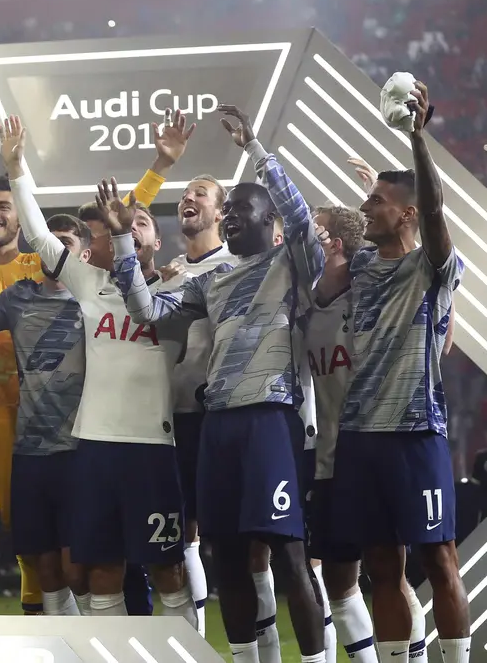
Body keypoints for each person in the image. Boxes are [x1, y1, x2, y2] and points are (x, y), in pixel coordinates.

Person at [108, 104, 327, 663]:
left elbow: (301, 219)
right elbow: (147, 310)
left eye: (240, 209)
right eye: (225, 210)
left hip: (270, 421)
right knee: (227, 555)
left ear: (268, 218)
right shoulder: (215, 280)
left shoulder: (292, 260)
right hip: (218, 426)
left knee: (288, 555)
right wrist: (124, 243)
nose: (229, 216)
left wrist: (256, 149)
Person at [0, 115, 198, 626]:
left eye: (137, 225)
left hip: (153, 449)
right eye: (108, 230)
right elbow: (42, 239)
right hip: (93, 447)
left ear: (152, 240)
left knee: (168, 569)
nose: (117, 232)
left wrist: (160, 166)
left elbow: (130, 239)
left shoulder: (180, 293)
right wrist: (16, 166)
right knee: (102, 571)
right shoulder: (90, 284)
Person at [333, 80, 471, 663]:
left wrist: (416, 139)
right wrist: (375, 189)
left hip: (418, 434)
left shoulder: (434, 266)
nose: (364, 210)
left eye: (374, 204)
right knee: (383, 568)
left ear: (407, 214)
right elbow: (392, 211)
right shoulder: (359, 266)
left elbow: (433, 209)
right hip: (361, 438)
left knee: (438, 561)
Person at [0, 213, 90, 616]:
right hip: (29, 452)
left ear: (84, 254)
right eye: (49, 240)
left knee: (79, 569)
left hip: (80, 451)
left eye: (65, 242)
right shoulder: (20, 296)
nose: (55, 248)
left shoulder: (97, 298)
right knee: (46, 567)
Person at [302, 205, 383, 663]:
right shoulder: (306, 305)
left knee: (390, 571)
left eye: (315, 228)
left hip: (375, 453)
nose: (302, 232)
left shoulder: (371, 295)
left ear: (333, 244)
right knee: (338, 580)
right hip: (329, 461)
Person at [168, 171, 232, 633]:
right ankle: (194, 644)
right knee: (177, 539)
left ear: (220, 213)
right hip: (168, 421)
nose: (188, 199)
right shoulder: (171, 272)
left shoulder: (234, 266)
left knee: (237, 543)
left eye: (201, 194)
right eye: (186, 194)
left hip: (215, 419)